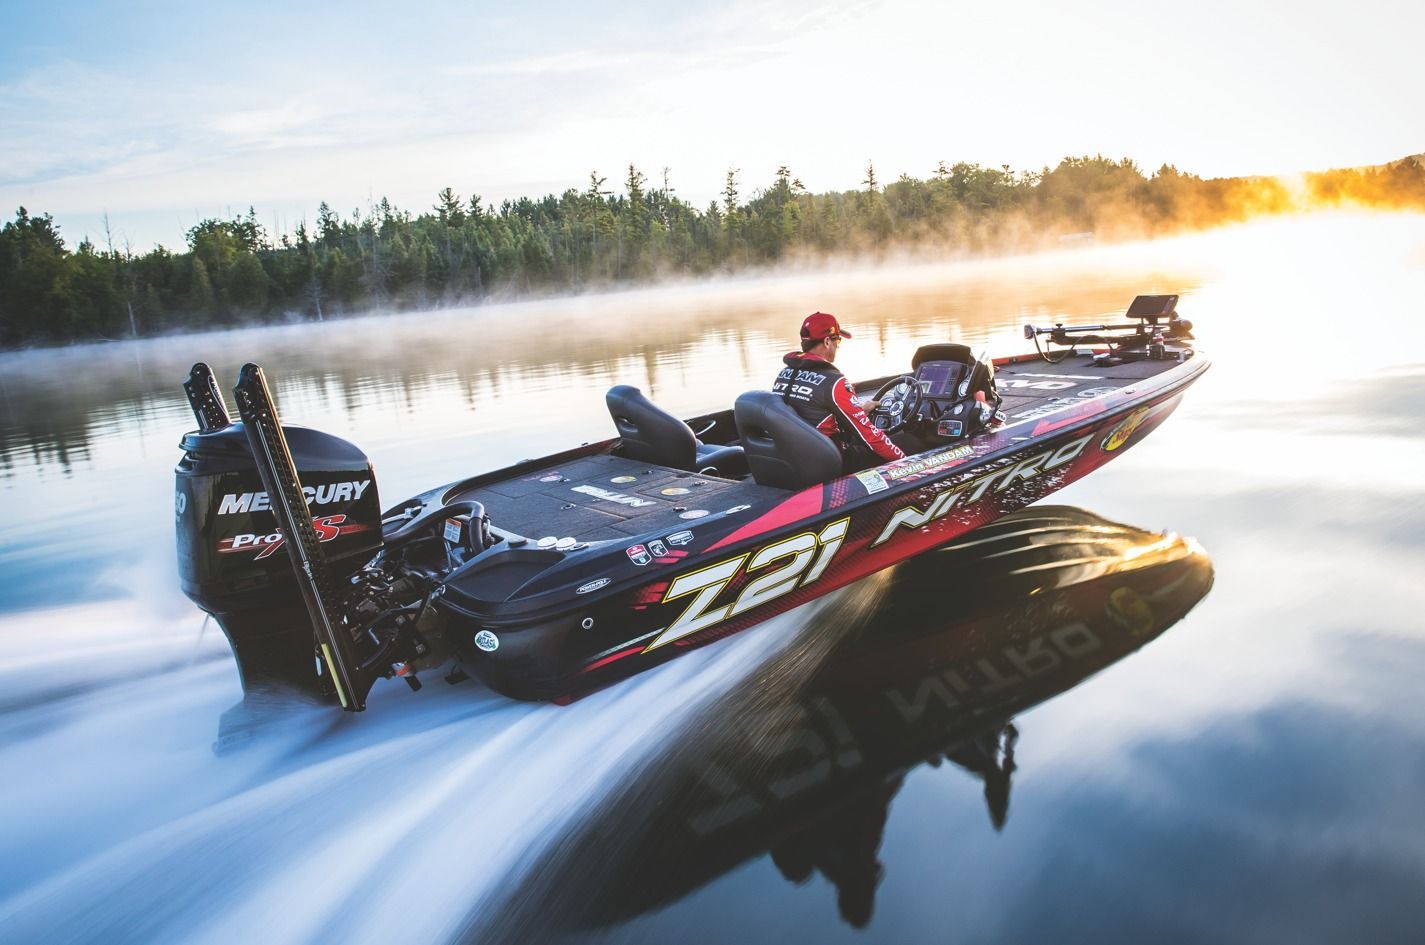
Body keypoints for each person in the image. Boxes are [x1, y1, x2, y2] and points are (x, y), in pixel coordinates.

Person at [774, 312, 905, 471]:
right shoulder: (834, 382)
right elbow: (870, 437)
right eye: (838, 340)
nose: (838, 346)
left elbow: (811, 412)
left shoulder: (784, 374)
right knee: (908, 440)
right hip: (830, 464)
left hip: (797, 459)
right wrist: (908, 463)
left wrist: (860, 410)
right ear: (827, 341)